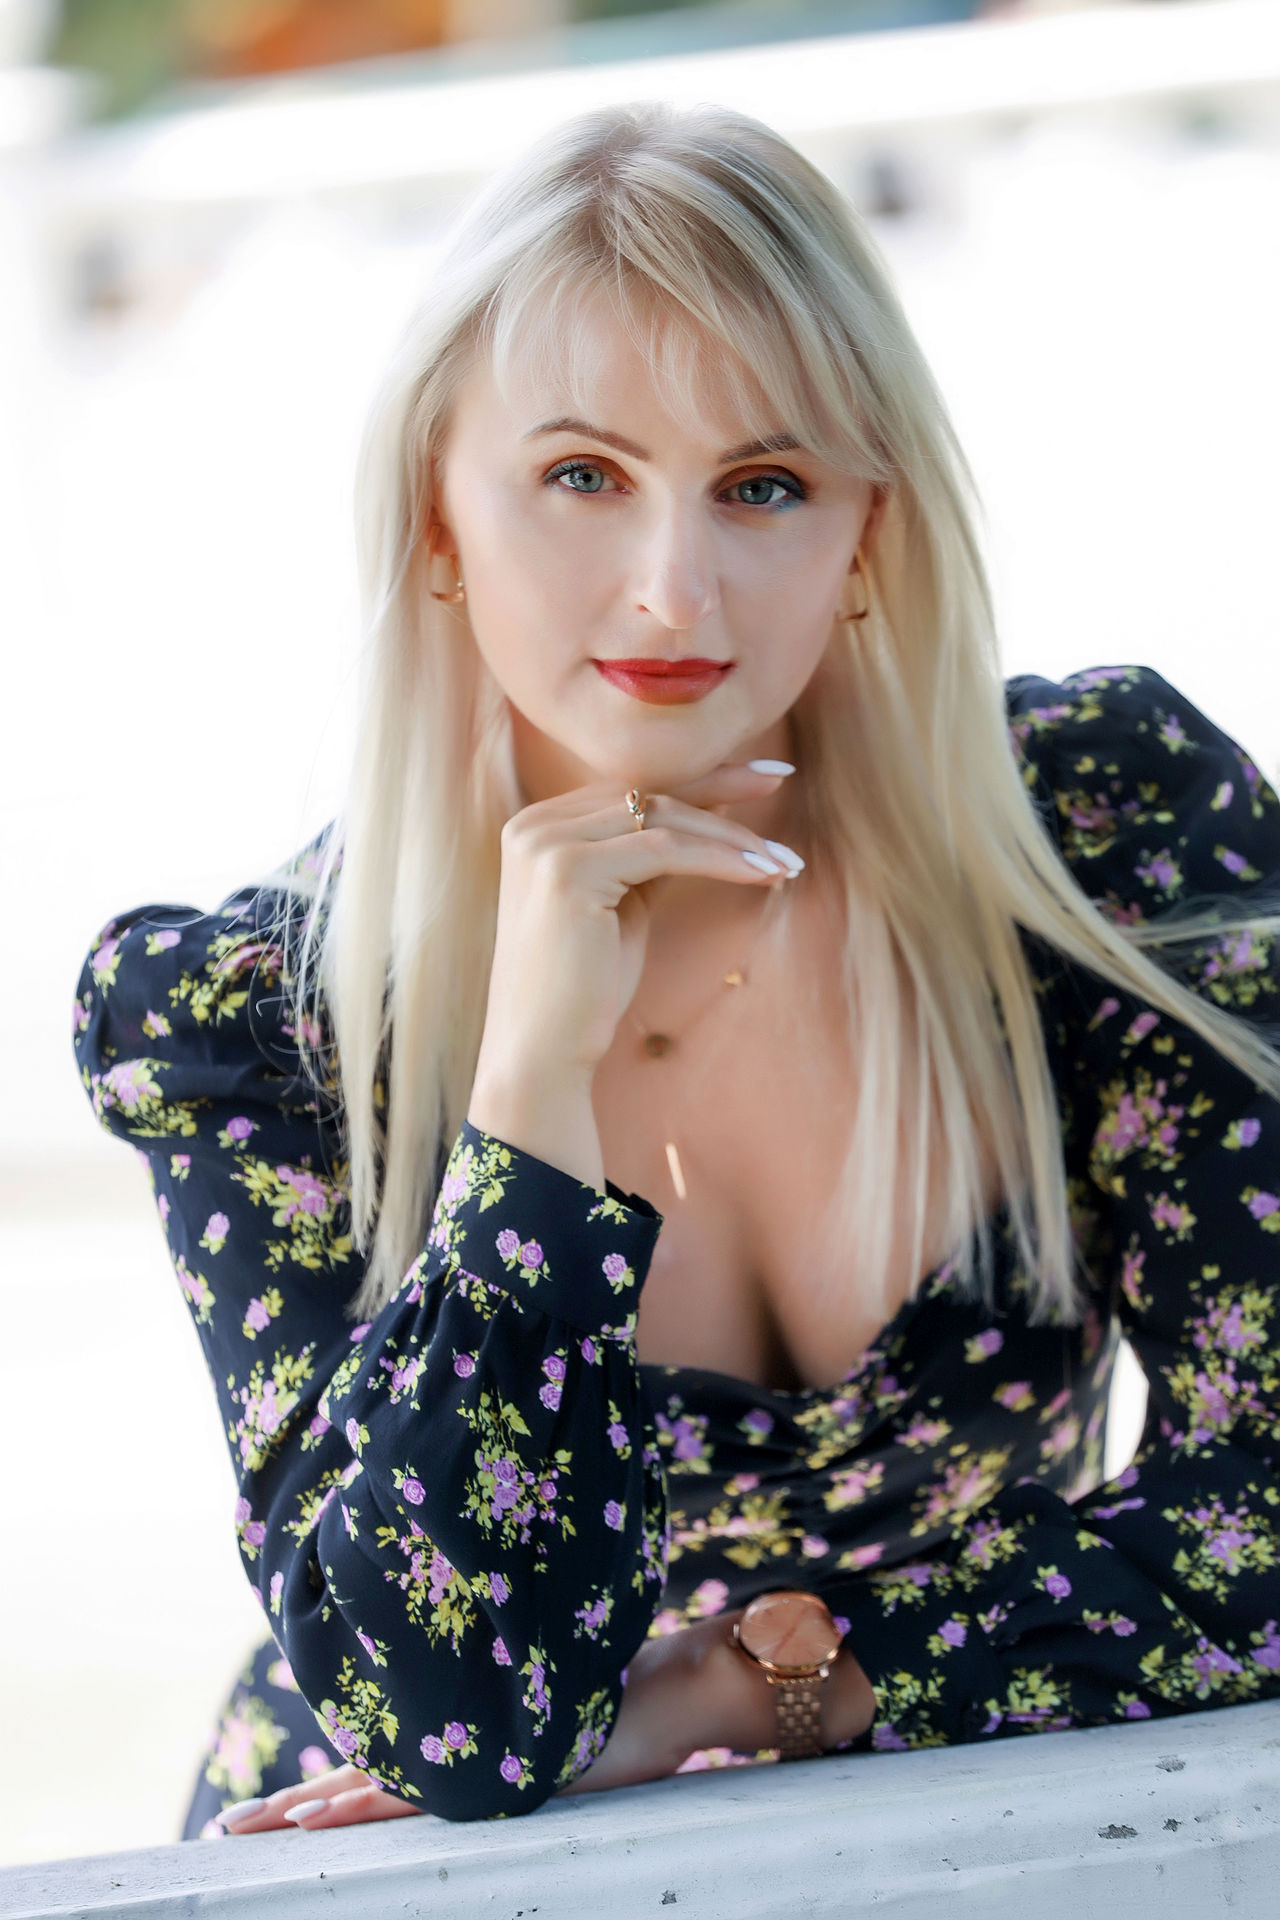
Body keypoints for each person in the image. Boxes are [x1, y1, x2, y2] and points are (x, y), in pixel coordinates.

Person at [73, 101, 1280, 1839]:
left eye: (763, 486)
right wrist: (528, 1098)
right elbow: (455, 1723)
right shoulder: (255, 1021)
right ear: (436, 518)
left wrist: (761, 1687)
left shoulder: (1097, 834)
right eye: (583, 476)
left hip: (977, 1842)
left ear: (866, 529)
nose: (673, 589)